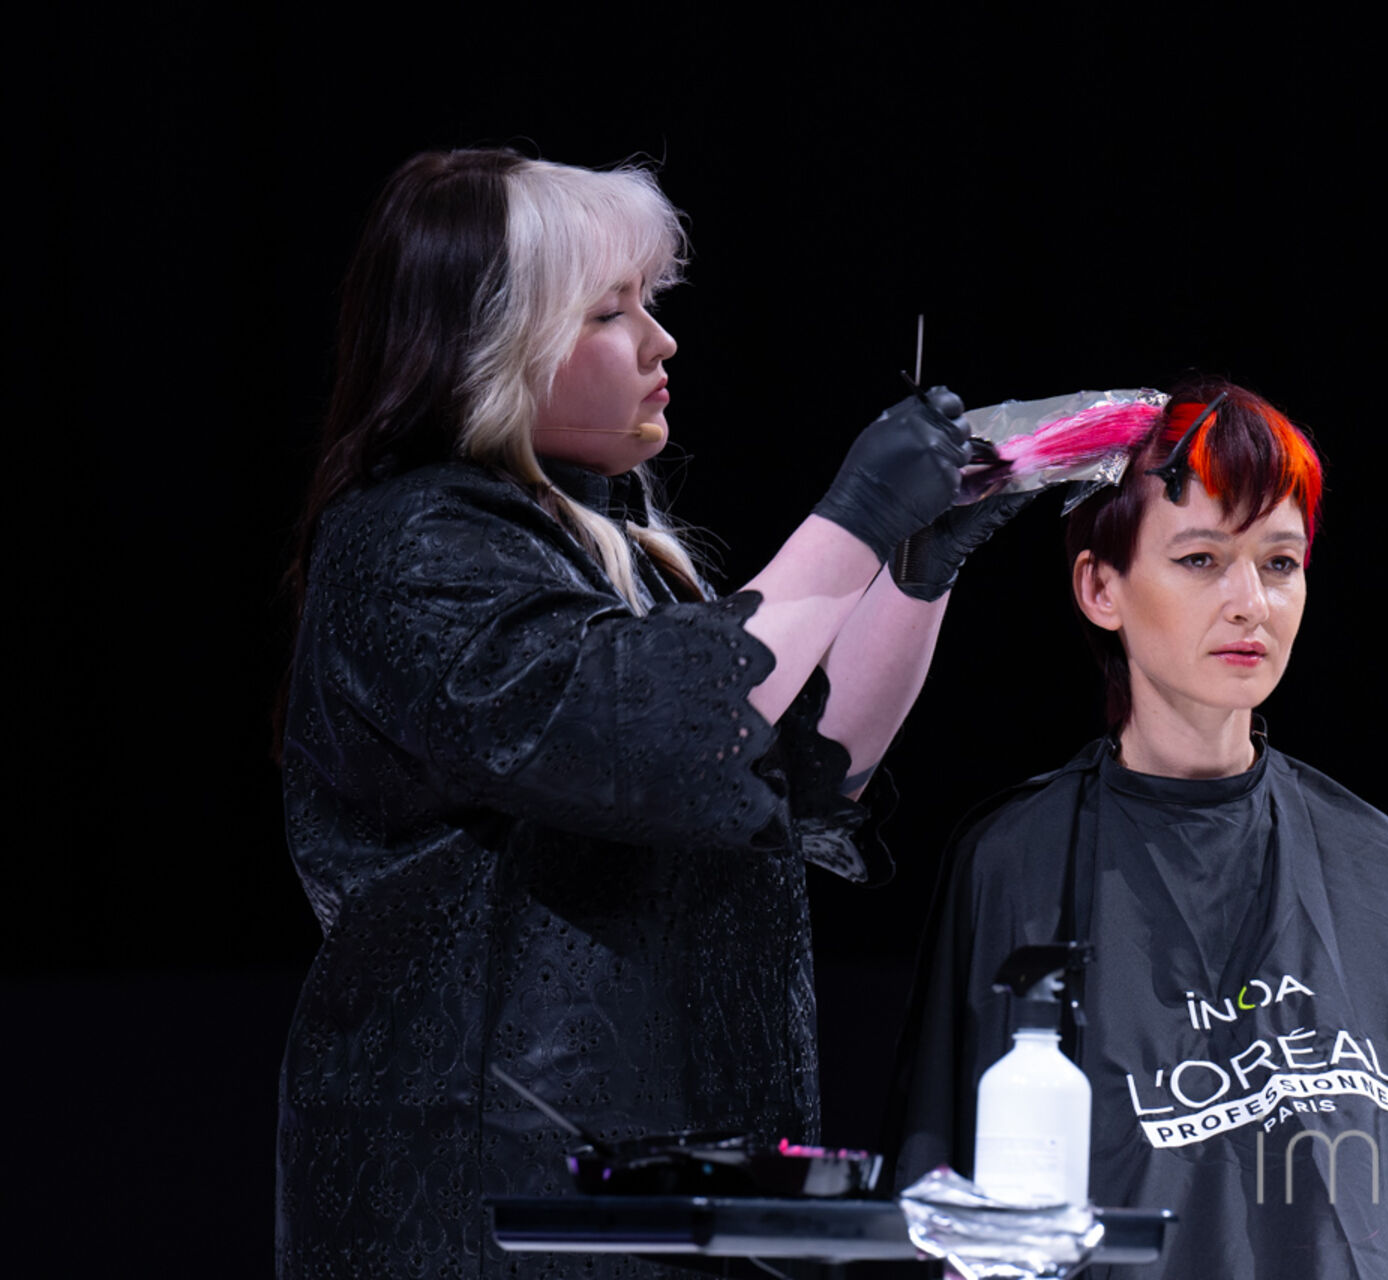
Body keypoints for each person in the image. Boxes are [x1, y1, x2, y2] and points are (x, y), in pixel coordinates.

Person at [276, 148, 1016, 1278]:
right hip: (491, 1204)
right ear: (492, 347)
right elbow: (653, 728)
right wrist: (856, 515)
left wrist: (912, 571)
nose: (661, 341)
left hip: (668, 1165)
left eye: (648, 303)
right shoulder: (413, 543)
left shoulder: (598, 551)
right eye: (609, 311)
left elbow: (803, 767)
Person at [890, 380, 1388, 1278]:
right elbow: (949, 1224)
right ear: (1100, 588)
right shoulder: (1015, 861)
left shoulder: (1378, 861)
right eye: (1200, 559)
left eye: (1280, 563)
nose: (1250, 603)